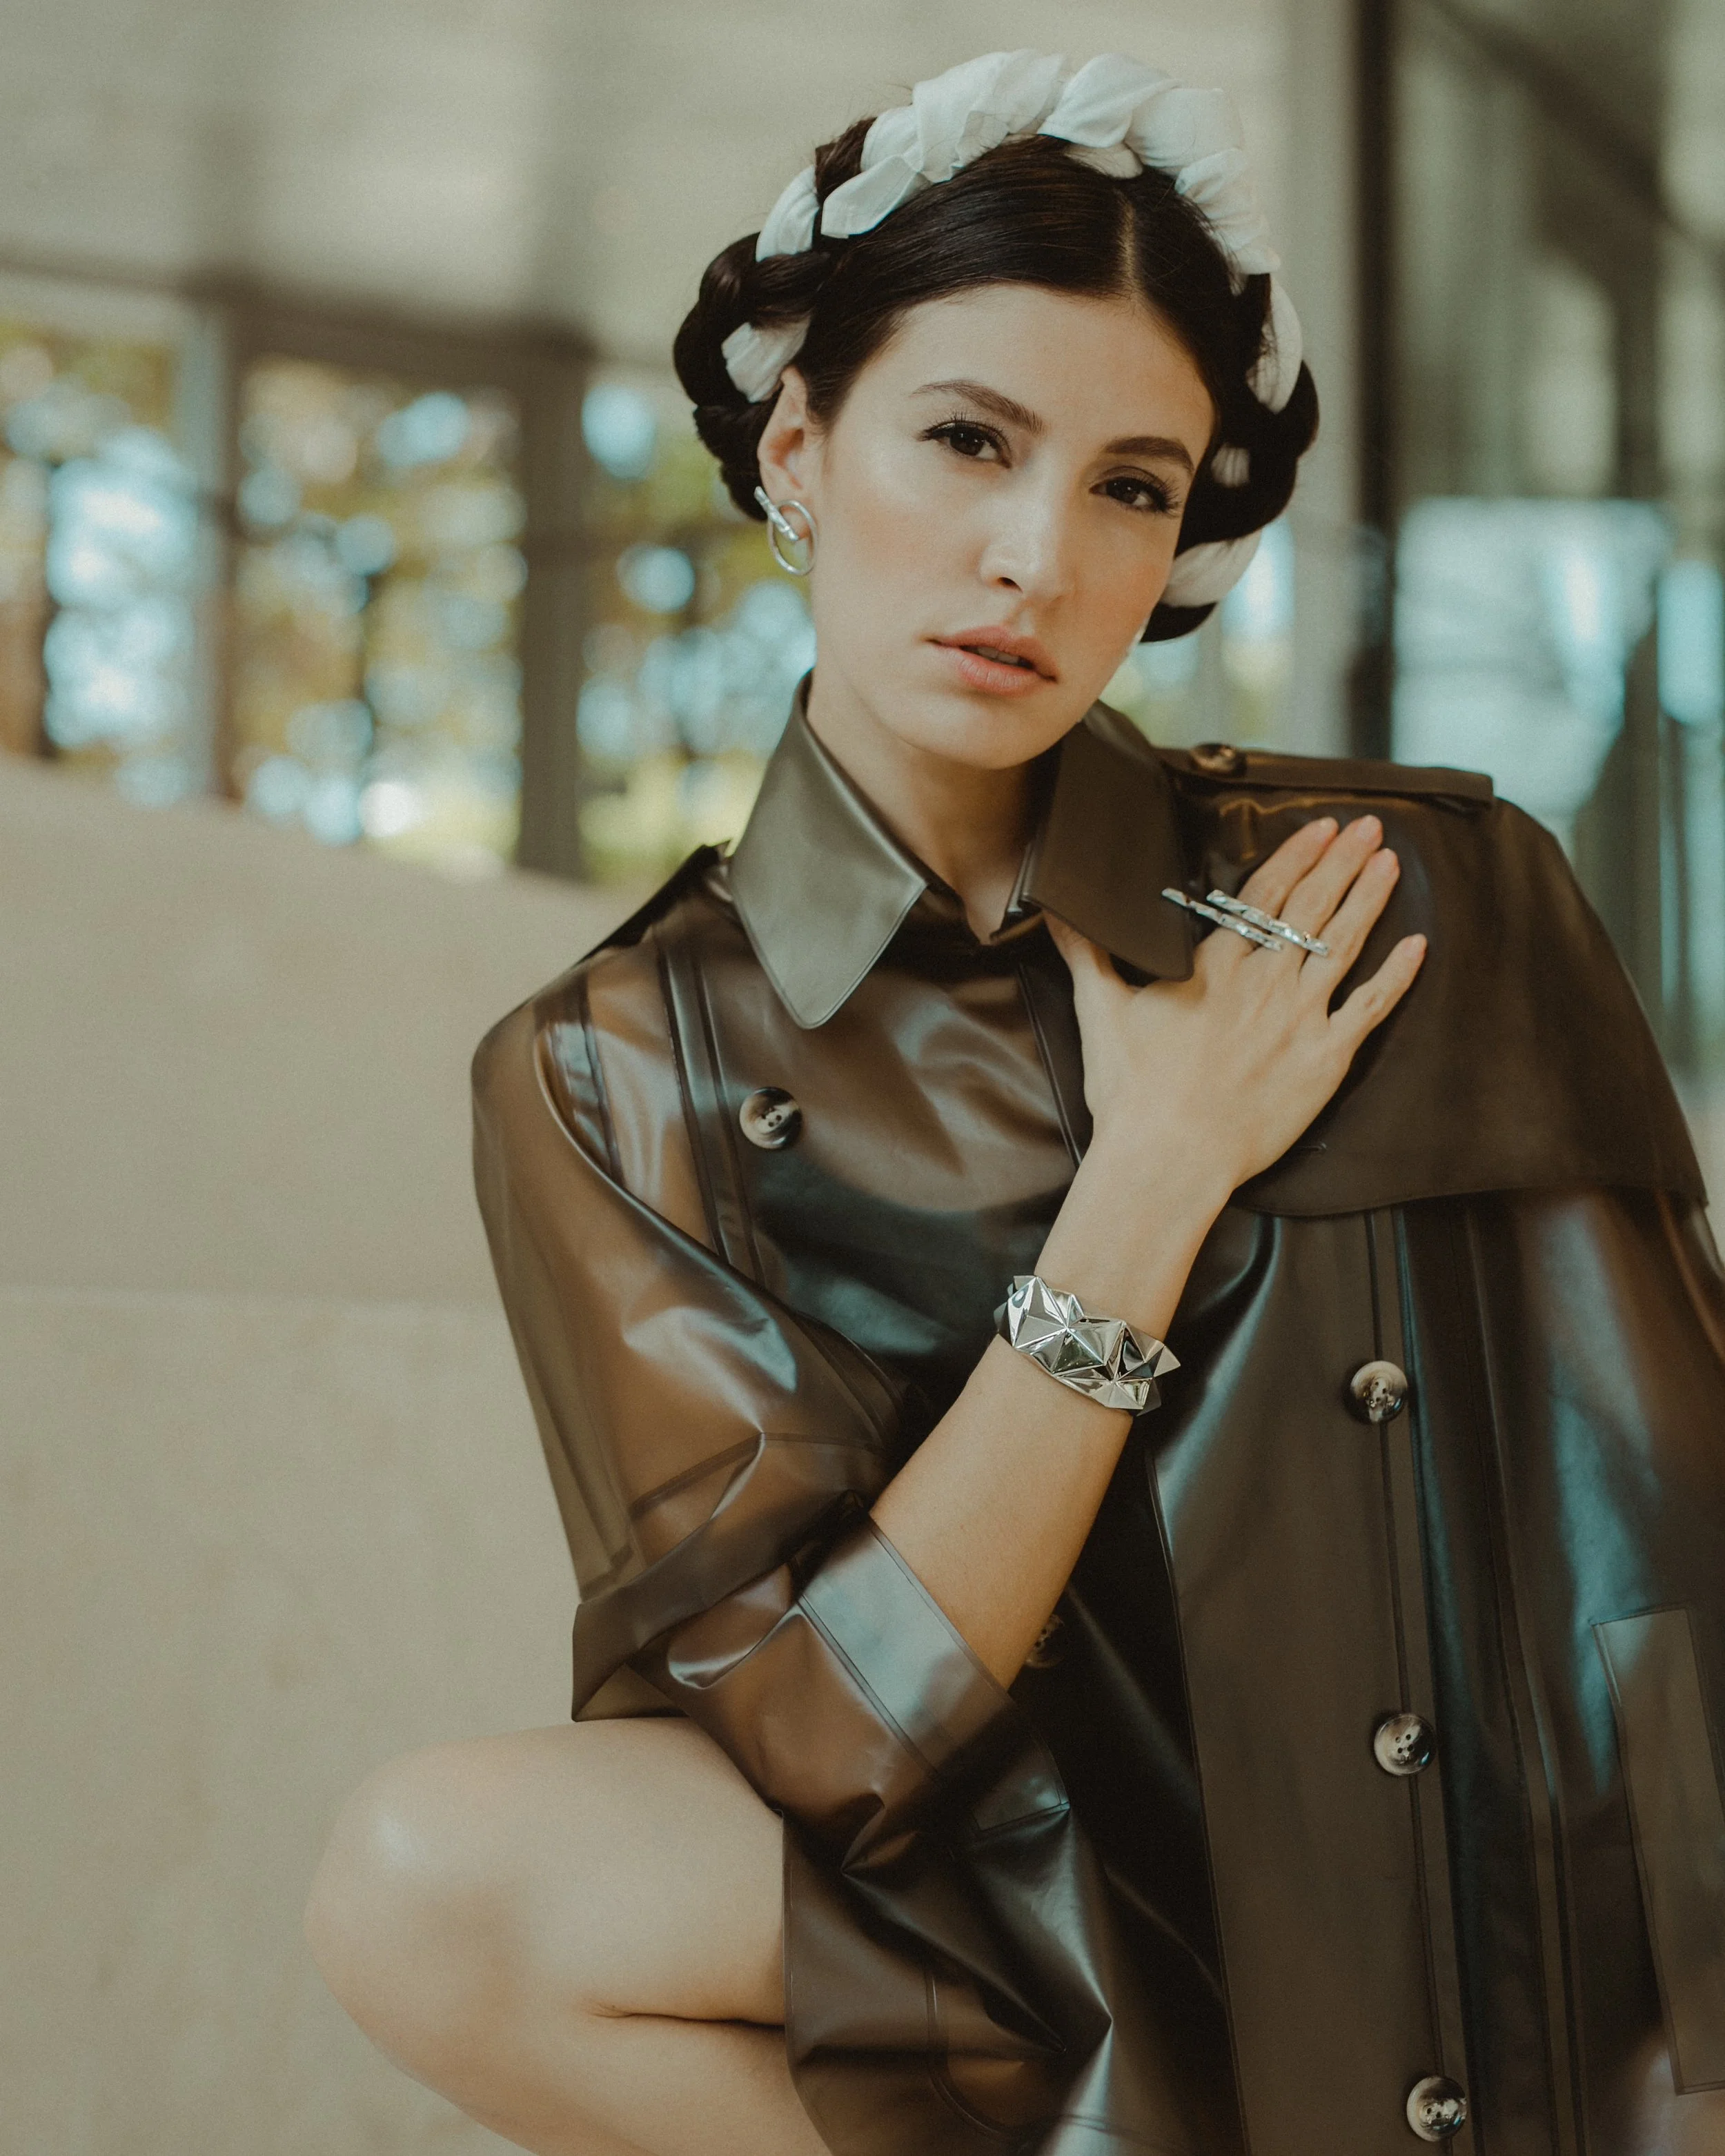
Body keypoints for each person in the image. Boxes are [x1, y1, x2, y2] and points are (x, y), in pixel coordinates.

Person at [305, 50, 1725, 2156]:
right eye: (965, 439)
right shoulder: (614, 1067)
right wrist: (1146, 1180)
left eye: (1130, 487)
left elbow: (1668, 1570)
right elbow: (824, 1740)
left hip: (1449, 1965)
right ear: (797, 441)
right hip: (1053, 1987)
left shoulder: (1399, 895)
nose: (1033, 554)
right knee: (437, 1873)